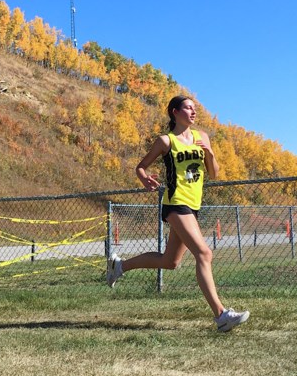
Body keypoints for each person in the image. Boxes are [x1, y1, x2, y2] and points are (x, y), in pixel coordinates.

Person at [106, 95, 250, 332]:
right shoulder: (166, 141)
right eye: (188, 108)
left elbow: (213, 173)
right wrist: (145, 178)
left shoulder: (201, 138)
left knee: (170, 262)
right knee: (204, 253)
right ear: (175, 112)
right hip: (175, 203)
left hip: (193, 205)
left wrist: (210, 155)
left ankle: (119, 266)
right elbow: (140, 166)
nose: (193, 112)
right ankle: (221, 315)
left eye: (195, 109)